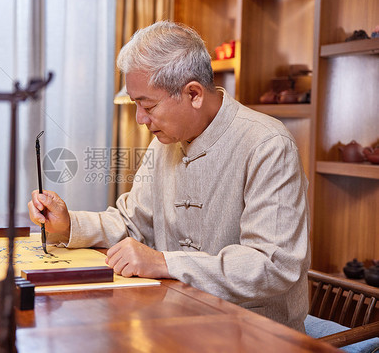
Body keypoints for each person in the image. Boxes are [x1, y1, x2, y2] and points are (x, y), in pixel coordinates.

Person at [28, 20, 310, 332]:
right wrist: (68, 224)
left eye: (147, 105)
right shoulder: (165, 142)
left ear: (193, 94)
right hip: (176, 317)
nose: (140, 119)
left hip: (254, 333)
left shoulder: (268, 144)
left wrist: (163, 263)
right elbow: (132, 221)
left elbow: (273, 264)